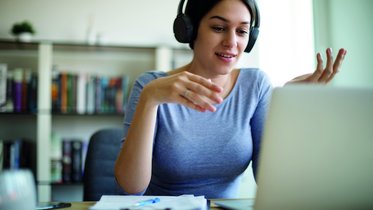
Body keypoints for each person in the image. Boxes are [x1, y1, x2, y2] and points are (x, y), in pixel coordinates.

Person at [114, 0, 347, 199]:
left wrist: (287, 110)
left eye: (242, 31)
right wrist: (150, 100)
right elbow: (132, 187)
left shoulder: (255, 86)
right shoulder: (150, 87)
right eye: (218, 27)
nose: (232, 42)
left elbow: (272, 182)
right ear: (190, 29)